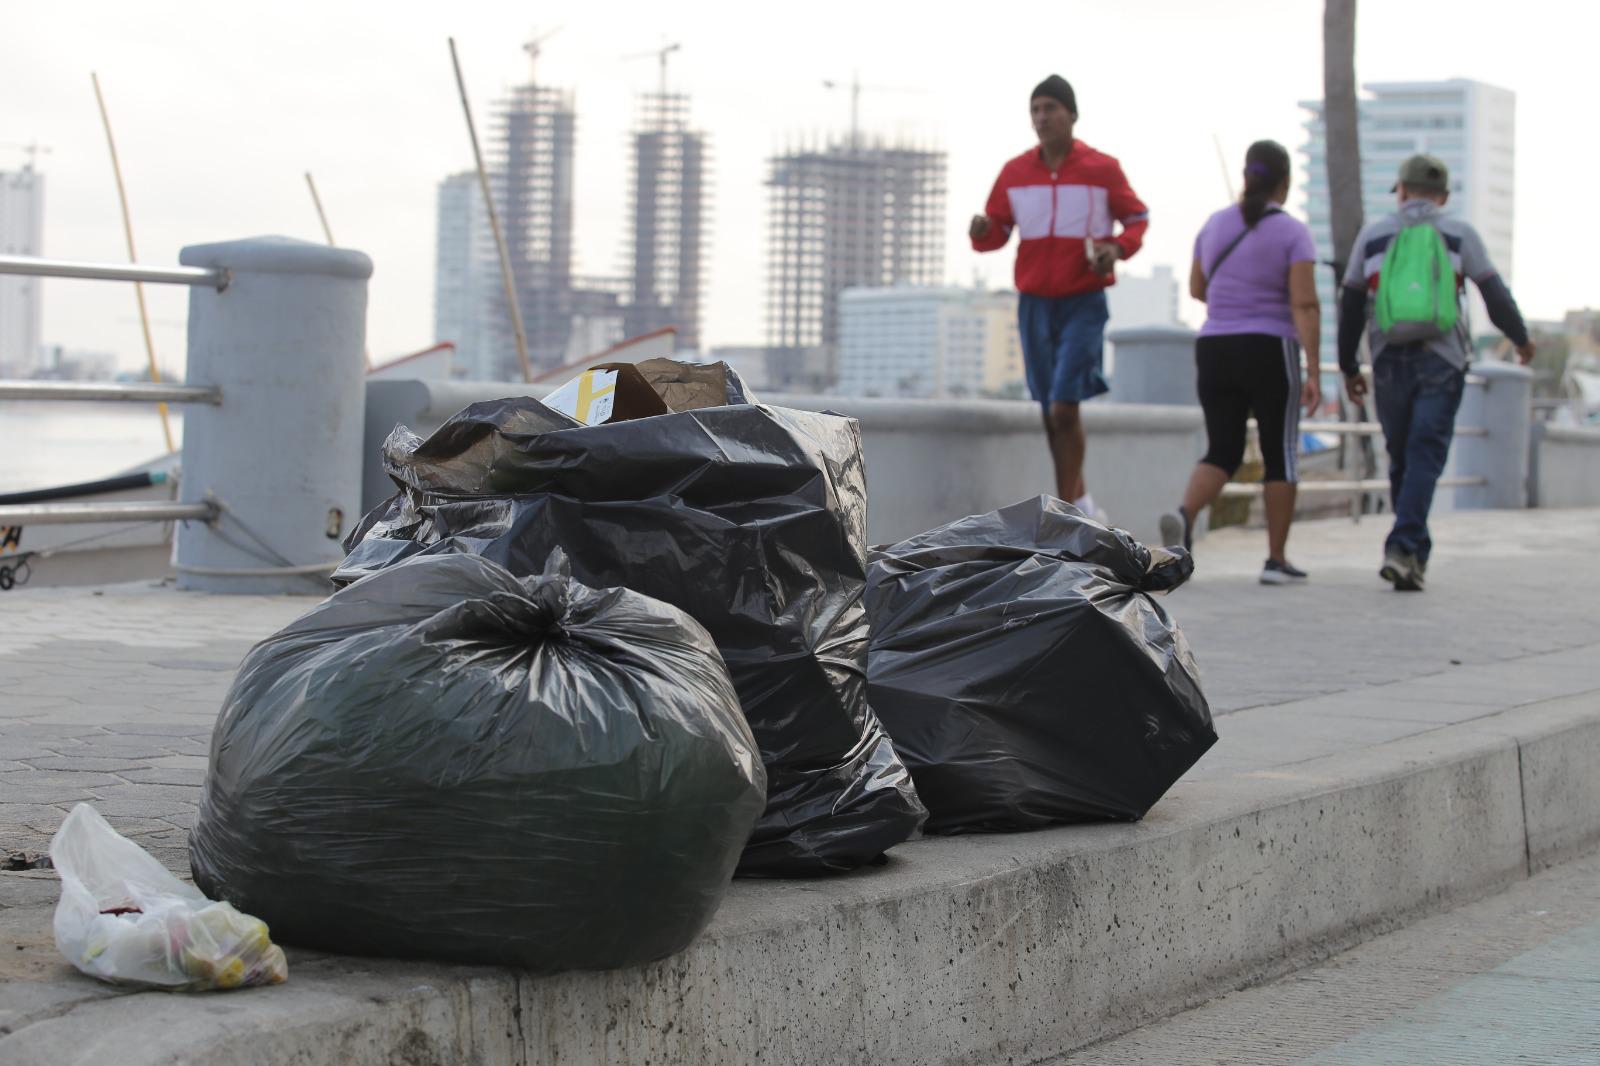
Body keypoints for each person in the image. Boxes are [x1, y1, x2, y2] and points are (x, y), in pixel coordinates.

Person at [1338, 154, 1534, 591]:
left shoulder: (1374, 235)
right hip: (1441, 358)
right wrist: (1520, 339)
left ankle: (1408, 551)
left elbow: (1350, 302)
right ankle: (1406, 547)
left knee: (1403, 457)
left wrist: (1349, 364)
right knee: (1425, 455)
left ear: (1402, 191)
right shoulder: (1458, 233)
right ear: (1443, 197)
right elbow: (1493, 293)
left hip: (1387, 358)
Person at [970, 74, 1148, 521]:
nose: (1042, 117)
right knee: (1052, 410)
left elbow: (1137, 218)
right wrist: (982, 232)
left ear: (1072, 114)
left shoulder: (1102, 168)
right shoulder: (1014, 172)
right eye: (1036, 109)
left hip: (1083, 299)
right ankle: (1082, 506)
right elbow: (997, 231)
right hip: (1034, 302)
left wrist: (1118, 248)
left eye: (1051, 108)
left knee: (1066, 406)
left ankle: (1065, 514)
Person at [1159, 140, 1322, 585]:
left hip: (1214, 347)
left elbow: (1197, 288)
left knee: (1223, 449)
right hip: (1270, 347)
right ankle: (1275, 560)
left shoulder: (1213, 225)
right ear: (1283, 184)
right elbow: (1304, 304)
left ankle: (1184, 514)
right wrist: (1313, 367)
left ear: (1247, 178)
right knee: (1280, 452)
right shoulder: (1292, 232)